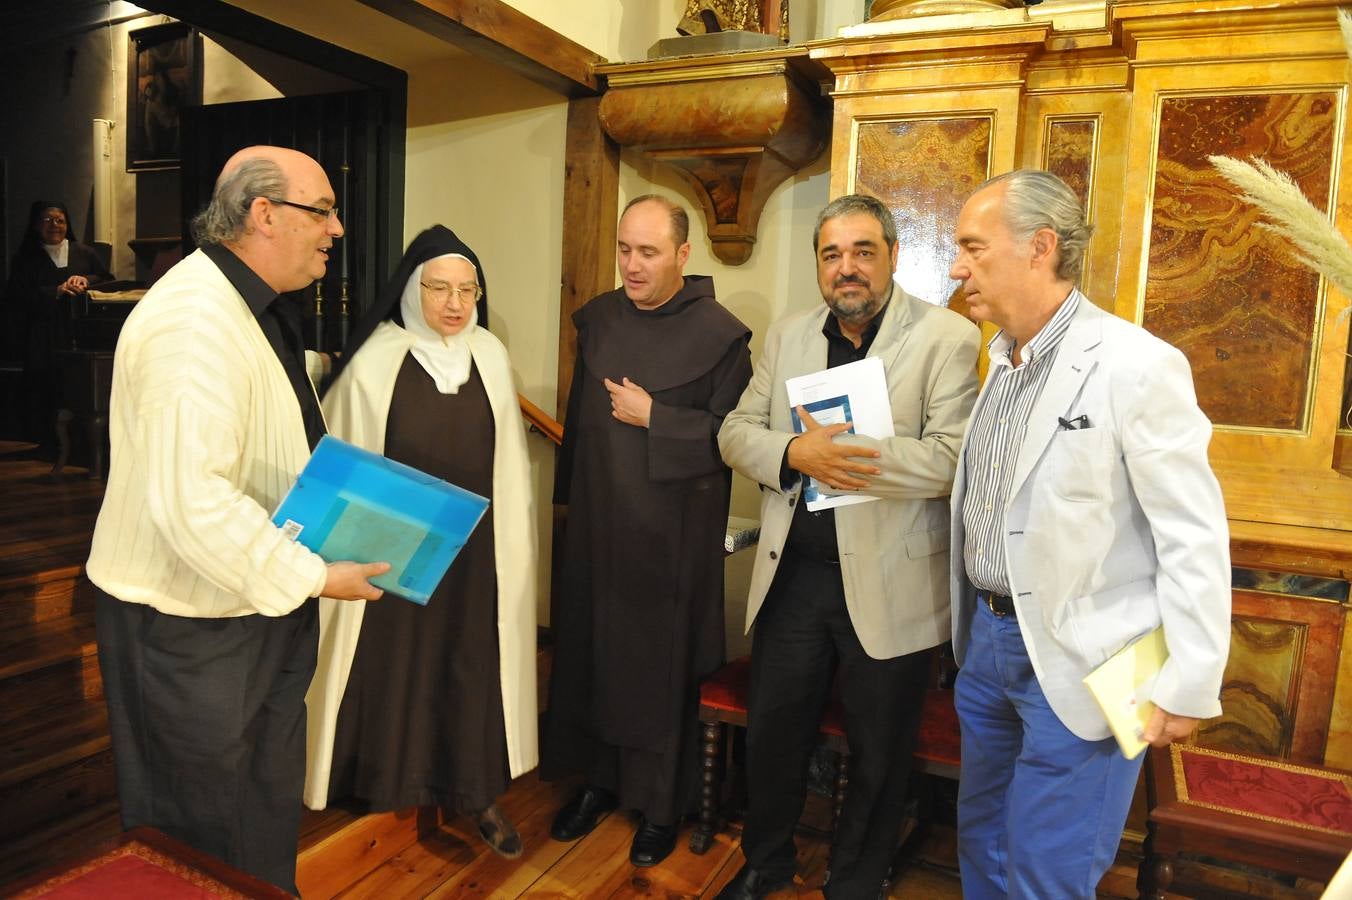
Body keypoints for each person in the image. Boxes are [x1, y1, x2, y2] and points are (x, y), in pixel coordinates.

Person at [86, 146, 389, 893]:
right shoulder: (192, 323)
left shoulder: (246, 306)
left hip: (254, 601)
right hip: (188, 625)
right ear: (263, 214)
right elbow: (192, 501)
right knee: (195, 833)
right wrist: (315, 573)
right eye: (322, 211)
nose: (337, 229)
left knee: (258, 809)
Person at [946, 169, 1231, 899]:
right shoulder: (1002, 364)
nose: (957, 268)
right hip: (986, 646)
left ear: (1040, 247)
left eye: (973, 248)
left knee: (1050, 871)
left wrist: (1191, 681)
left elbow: (1192, 534)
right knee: (981, 840)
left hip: (1084, 660)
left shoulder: (1137, 364)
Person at [716, 194, 980, 899]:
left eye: (864, 250)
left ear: (893, 255)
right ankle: (764, 864)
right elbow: (735, 432)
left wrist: (850, 460)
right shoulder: (787, 336)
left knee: (878, 754)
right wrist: (797, 451)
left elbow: (952, 460)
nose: (848, 268)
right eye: (832, 254)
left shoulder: (947, 338)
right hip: (795, 577)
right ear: (818, 267)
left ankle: (855, 883)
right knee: (774, 738)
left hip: (892, 581)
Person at [304, 225, 538, 858]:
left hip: (476, 549)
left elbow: (509, 461)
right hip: (394, 546)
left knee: (469, 663)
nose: (456, 304)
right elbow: (342, 457)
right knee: (392, 658)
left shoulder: (490, 354)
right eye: (439, 289)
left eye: (468, 290)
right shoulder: (375, 361)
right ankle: (380, 779)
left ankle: (475, 790)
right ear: (412, 290)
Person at [542, 194, 753, 867]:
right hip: (600, 529)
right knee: (595, 657)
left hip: (674, 543)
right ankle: (597, 783)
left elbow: (736, 440)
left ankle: (662, 806)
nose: (632, 265)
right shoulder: (600, 319)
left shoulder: (723, 336)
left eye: (648, 252)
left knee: (658, 675)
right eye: (625, 251)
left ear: (683, 255)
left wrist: (657, 417)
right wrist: (567, 506)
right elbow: (579, 423)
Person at [3, 201, 112, 444]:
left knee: (79, 387)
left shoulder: (84, 253)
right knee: (47, 389)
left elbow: (108, 281)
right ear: (35, 225)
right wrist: (57, 290)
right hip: (44, 336)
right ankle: (47, 443)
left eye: (60, 220)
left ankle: (82, 443)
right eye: (47, 220)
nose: (55, 225)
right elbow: (17, 298)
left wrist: (85, 279)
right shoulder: (26, 259)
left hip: (79, 333)